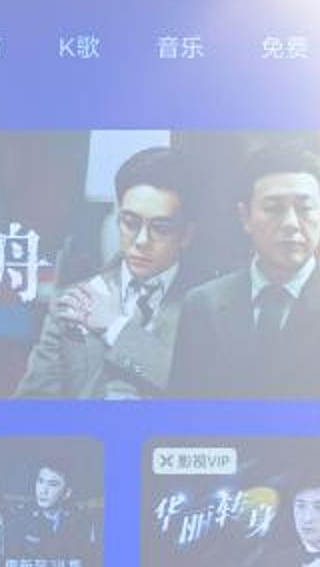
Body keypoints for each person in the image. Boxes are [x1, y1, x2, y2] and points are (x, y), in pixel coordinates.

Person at [169, 142, 320, 400]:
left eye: (305, 208)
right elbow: (180, 412)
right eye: (273, 208)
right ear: (245, 217)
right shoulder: (203, 305)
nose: (291, 223)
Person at [16, 147, 198, 400]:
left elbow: (199, 386)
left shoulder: (209, 304)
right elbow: (32, 403)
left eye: (160, 228)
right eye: (130, 223)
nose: (141, 241)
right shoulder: (74, 299)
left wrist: (116, 327)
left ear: (186, 235)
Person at [6, 461, 93, 567]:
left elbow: (87, 565)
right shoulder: (20, 518)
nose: (43, 490)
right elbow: (10, 565)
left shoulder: (79, 519)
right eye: (40, 481)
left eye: (52, 485)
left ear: (66, 493)